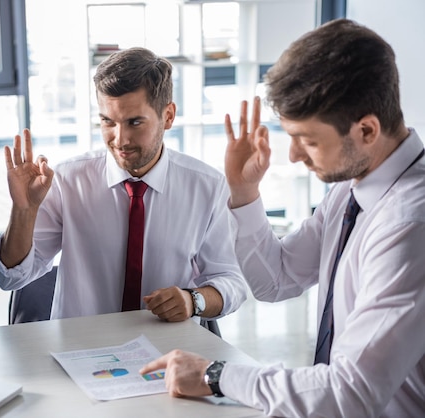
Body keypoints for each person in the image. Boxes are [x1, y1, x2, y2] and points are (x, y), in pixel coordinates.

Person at [140, 18, 425, 417]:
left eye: (308, 140)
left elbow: (351, 392)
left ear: (366, 130)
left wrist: (218, 375)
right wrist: (243, 194)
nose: (292, 156)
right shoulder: (351, 190)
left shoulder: (410, 225)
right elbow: (277, 280)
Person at [0, 47, 247, 323]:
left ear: (168, 116)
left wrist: (193, 299)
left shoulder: (207, 187)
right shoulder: (68, 182)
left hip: (168, 353)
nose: (120, 139)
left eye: (134, 122)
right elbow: (11, 277)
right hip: (81, 352)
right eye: (108, 122)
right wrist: (23, 211)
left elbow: (231, 281)